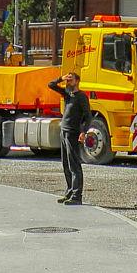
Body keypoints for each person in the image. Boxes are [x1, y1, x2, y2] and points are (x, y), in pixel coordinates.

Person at [48, 70, 92, 206]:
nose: (68, 82)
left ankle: (77, 196)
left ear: (77, 81)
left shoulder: (81, 97)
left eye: (70, 79)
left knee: (74, 165)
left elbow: (88, 116)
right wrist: (61, 78)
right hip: (64, 131)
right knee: (66, 164)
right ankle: (69, 191)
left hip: (73, 133)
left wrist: (83, 132)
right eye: (67, 80)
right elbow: (51, 85)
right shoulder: (68, 94)